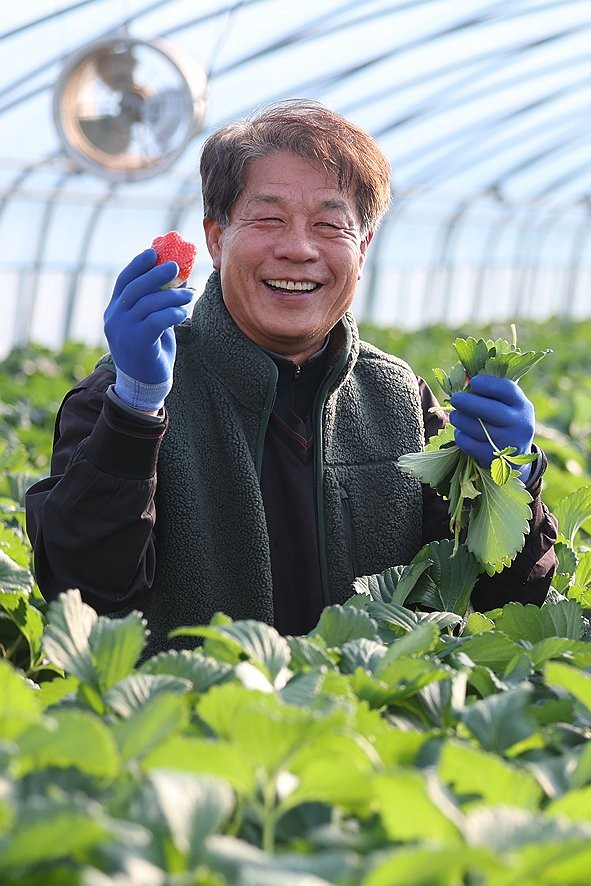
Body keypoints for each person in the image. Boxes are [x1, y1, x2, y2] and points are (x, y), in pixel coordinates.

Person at [26, 100, 557, 655]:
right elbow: (83, 594)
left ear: (364, 248)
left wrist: (511, 477)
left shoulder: (400, 403)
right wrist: (132, 416)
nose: (299, 249)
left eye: (330, 225)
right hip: (190, 726)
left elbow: (501, 599)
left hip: (377, 729)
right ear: (215, 238)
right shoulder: (122, 398)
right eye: (268, 219)